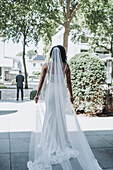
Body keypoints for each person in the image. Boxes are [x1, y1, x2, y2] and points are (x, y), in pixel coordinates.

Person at [27, 45, 102, 170]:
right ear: (63, 53)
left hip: (50, 93)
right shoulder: (66, 66)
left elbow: (41, 81)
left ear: (52, 53)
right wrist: (71, 96)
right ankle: (60, 141)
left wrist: (37, 94)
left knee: (49, 115)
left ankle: (48, 141)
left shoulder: (46, 65)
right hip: (60, 93)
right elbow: (68, 83)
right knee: (60, 116)